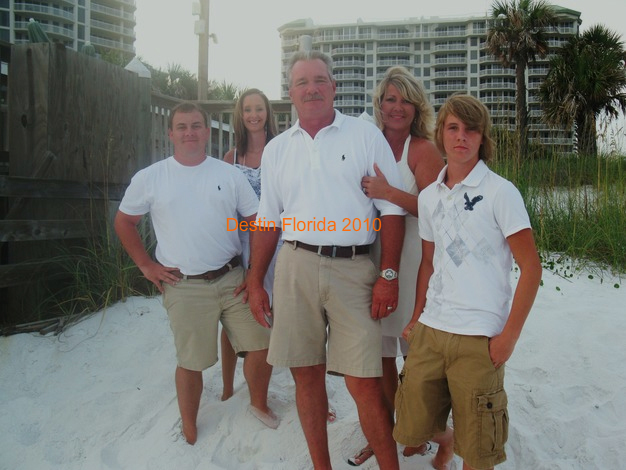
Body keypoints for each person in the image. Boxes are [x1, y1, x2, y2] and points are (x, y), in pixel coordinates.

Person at [247, 51, 406, 470]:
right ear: (290, 93)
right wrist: (255, 281)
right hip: (294, 266)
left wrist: (389, 275)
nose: (312, 88)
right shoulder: (277, 150)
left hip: (354, 269)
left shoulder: (364, 136)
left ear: (334, 87)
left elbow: (392, 210)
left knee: (364, 383)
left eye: (320, 80)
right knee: (305, 376)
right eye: (302, 82)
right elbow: (268, 220)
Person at [114, 102, 278, 446]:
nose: (189, 132)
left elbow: (257, 222)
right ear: (171, 133)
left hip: (232, 278)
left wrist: (253, 275)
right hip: (184, 284)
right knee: (191, 362)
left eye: (196, 126)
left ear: (206, 132)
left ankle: (259, 403)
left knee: (263, 343)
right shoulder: (151, 177)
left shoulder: (228, 174)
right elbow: (124, 222)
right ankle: (189, 425)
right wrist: (146, 266)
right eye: (182, 126)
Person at [393, 94, 542, 470]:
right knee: (413, 428)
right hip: (431, 329)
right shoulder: (428, 197)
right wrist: (416, 317)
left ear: (482, 137)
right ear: (441, 134)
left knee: (478, 452)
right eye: (453, 127)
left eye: (471, 129)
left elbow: (531, 268)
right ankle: (445, 442)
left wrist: (509, 337)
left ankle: (459, 447)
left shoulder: (500, 192)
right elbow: (429, 262)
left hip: (479, 336)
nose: (461, 136)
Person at [349, 66, 445, 466]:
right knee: (380, 352)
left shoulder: (422, 150)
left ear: (417, 107)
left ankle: (419, 429)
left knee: (414, 353)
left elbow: (437, 208)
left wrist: (389, 193)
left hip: (411, 261)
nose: (397, 107)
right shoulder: (365, 143)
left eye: (406, 100)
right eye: (390, 99)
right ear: (379, 104)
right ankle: (385, 431)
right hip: (367, 256)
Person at [220, 88, 279, 402]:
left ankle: (297, 383)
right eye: (247, 110)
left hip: (278, 239)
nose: (254, 115)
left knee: (283, 308)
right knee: (236, 313)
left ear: (267, 113)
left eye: (259, 108)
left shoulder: (280, 149)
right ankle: (228, 386)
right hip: (242, 242)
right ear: (240, 116)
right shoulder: (231, 158)